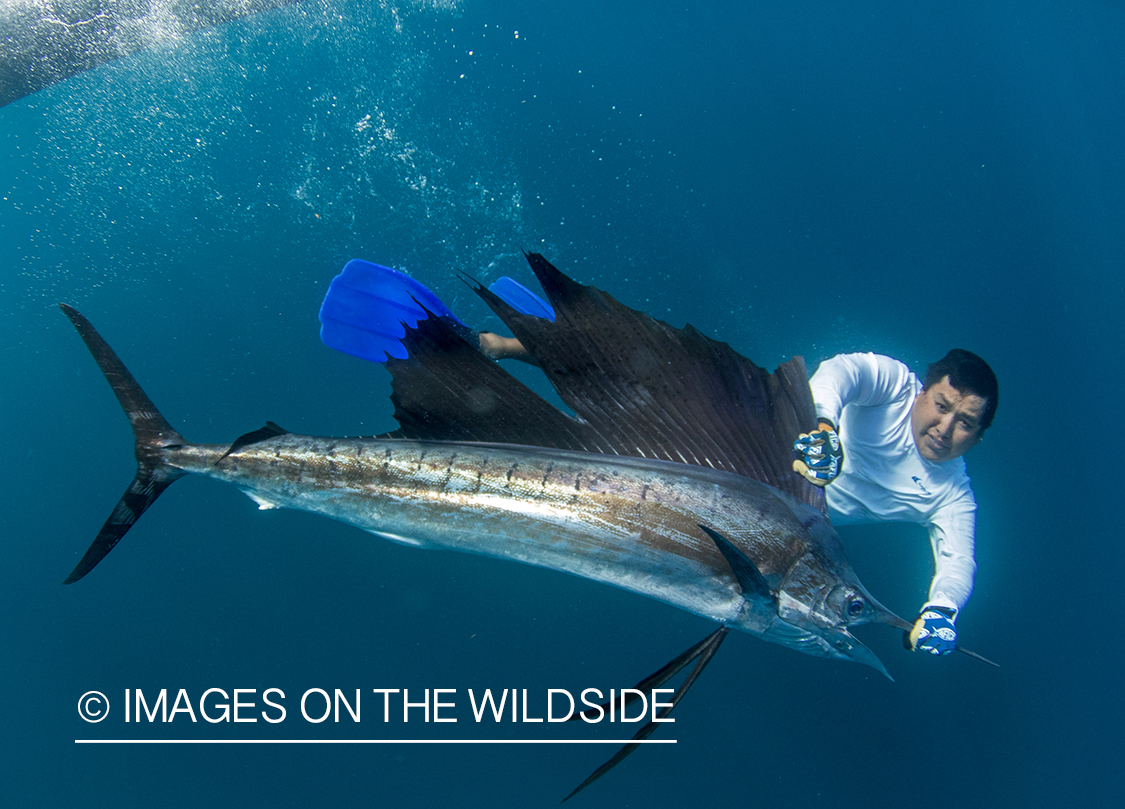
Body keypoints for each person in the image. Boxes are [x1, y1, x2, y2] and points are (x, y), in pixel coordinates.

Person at [792, 350, 998, 657]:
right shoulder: (895, 386)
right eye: (941, 406)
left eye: (965, 423)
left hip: (789, 520)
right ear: (921, 393)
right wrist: (824, 428)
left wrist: (942, 609)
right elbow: (843, 371)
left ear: (978, 439)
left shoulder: (953, 495)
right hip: (761, 460)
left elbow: (959, 561)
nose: (945, 428)